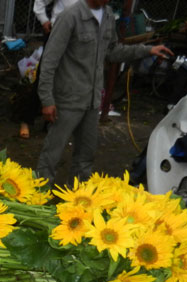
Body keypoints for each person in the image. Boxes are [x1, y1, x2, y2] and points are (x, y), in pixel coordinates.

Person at [36, 0, 173, 184]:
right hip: (68, 99)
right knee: (51, 154)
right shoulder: (70, 16)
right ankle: (39, 197)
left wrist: (147, 50)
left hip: (92, 101)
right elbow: (49, 61)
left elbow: (113, 51)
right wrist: (47, 100)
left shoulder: (108, 16)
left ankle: (77, 201)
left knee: (86, 155)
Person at [16, 0, 78, 139]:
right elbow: (39, 2)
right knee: (43, 78)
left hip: (76, 39)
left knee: (65, 80)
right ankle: (26, 120)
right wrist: (44, 21)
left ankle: (49, 124)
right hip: (56, 34)